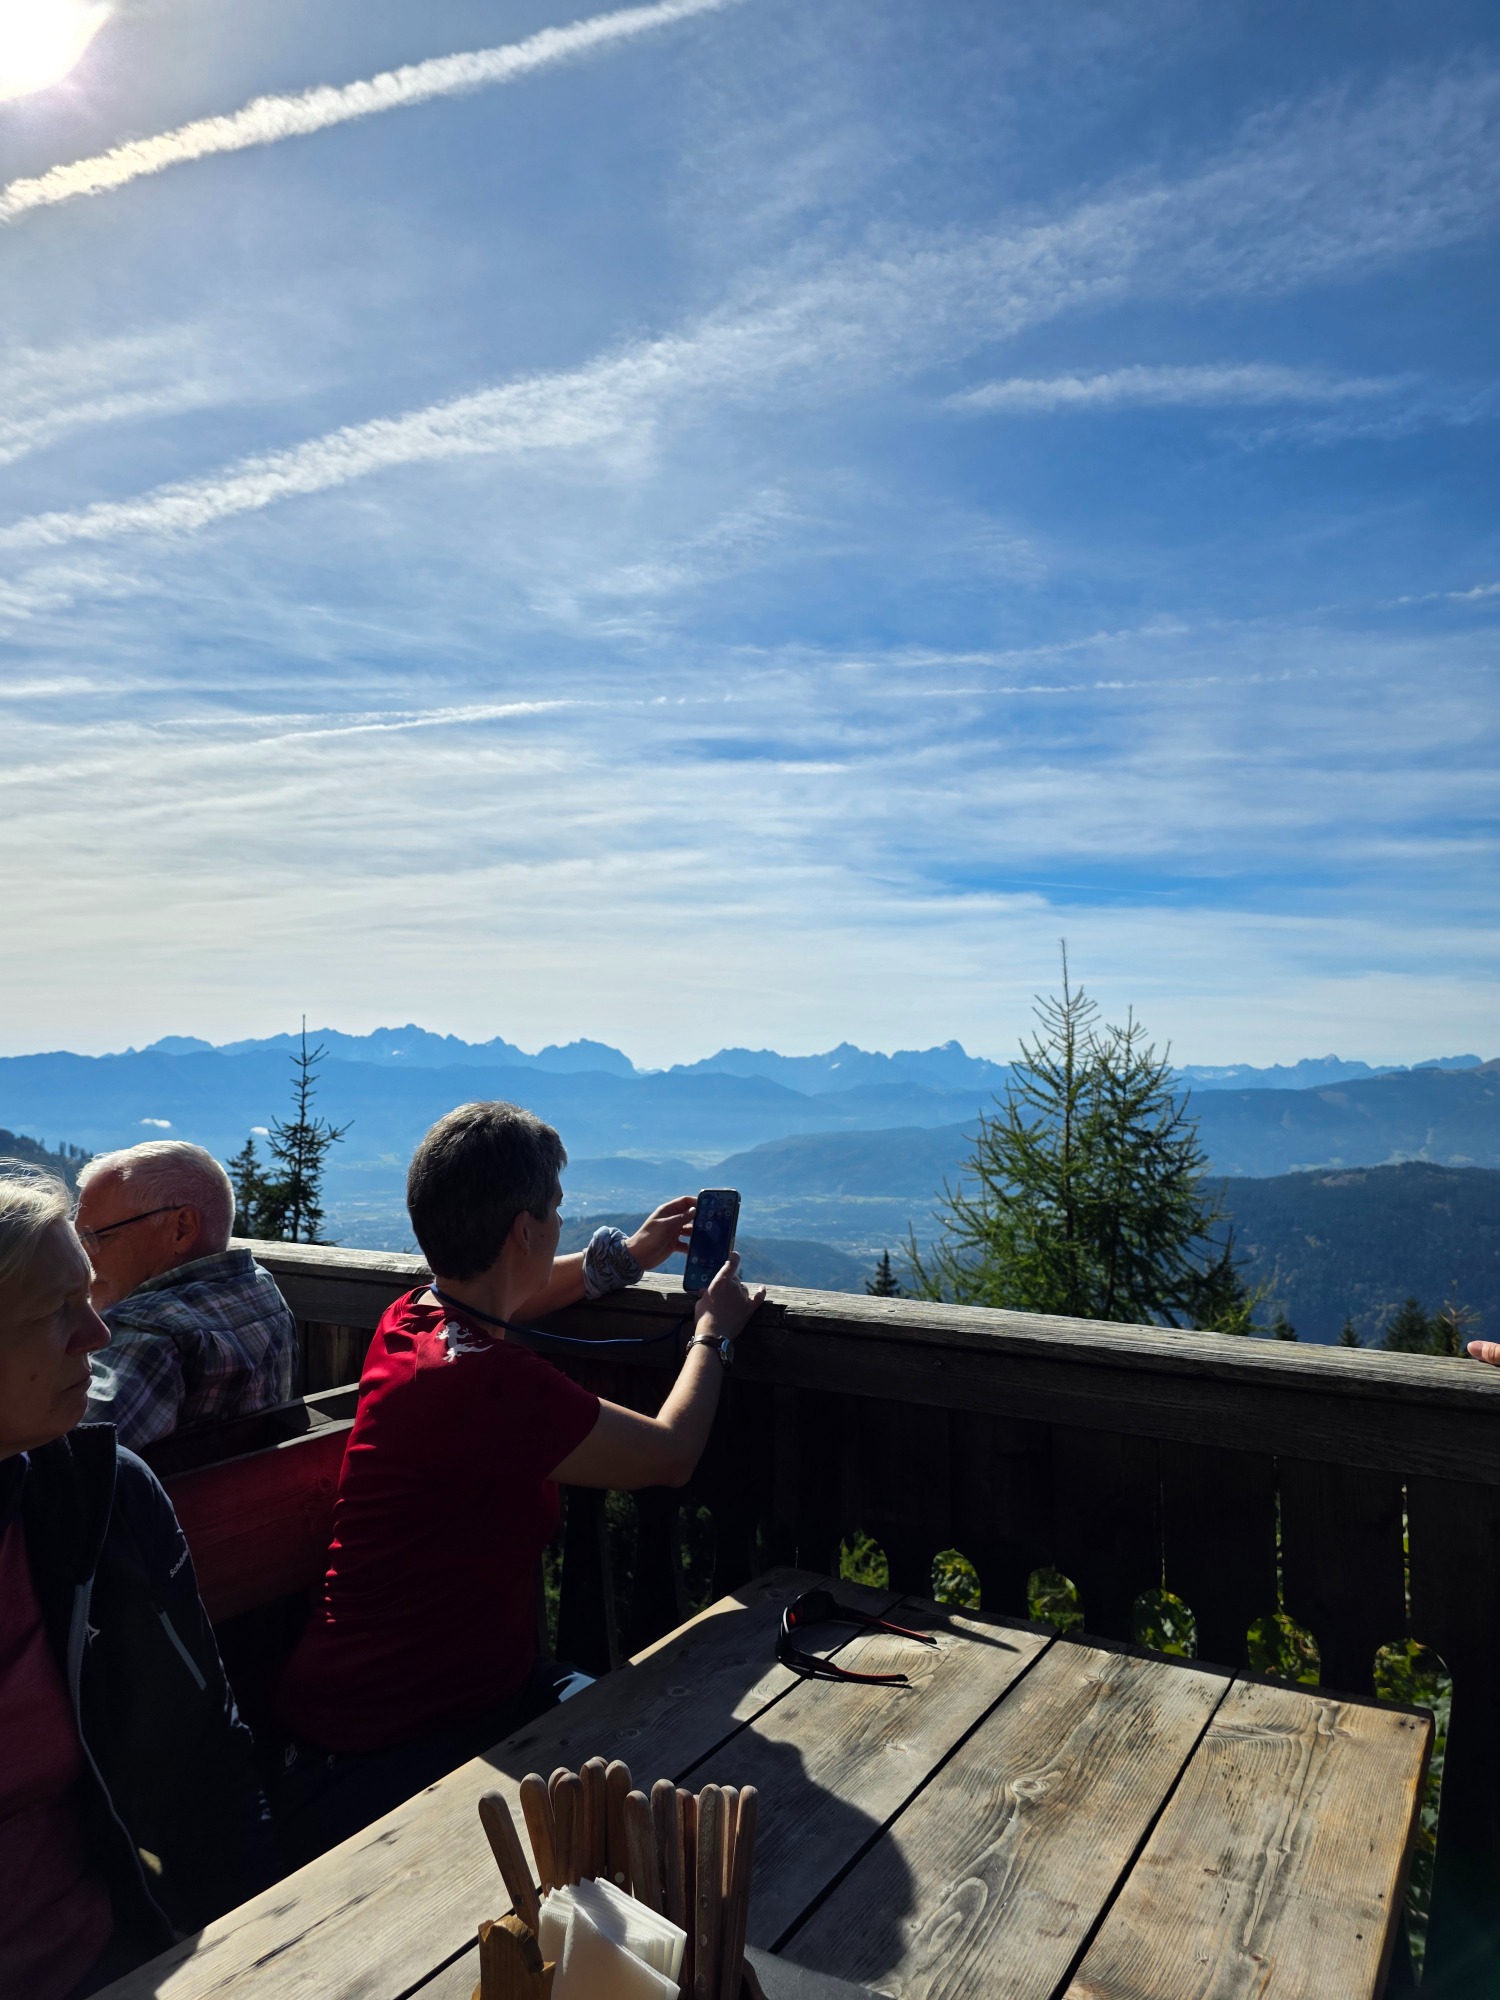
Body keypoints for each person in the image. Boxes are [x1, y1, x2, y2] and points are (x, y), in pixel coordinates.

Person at [276, 1099, 764, 1858]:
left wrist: (625, 1259)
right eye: (556, 1211)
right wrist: (714, 1333)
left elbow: (508, 1294)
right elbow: (669, 1454)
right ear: (524, 1231)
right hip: (388, 1744)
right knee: (679, 1803)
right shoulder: (487, 1383)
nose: (562, 1224)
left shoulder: (415, 1317)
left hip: (441, 1700)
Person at [0, 1163, 275, 1998]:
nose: (97, 1334)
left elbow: (212, 1761)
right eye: (57, 1312)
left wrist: (268, 1951)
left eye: (87, 1297)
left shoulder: (102, 1498)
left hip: (109, 1957)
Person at [77, 1140, 296, 1450]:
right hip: (257, 1481)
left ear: (182, 1228)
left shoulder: (151, 1333)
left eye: (96, 1237)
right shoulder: (260, 1290)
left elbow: (63, 1457)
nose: (84, 1260)